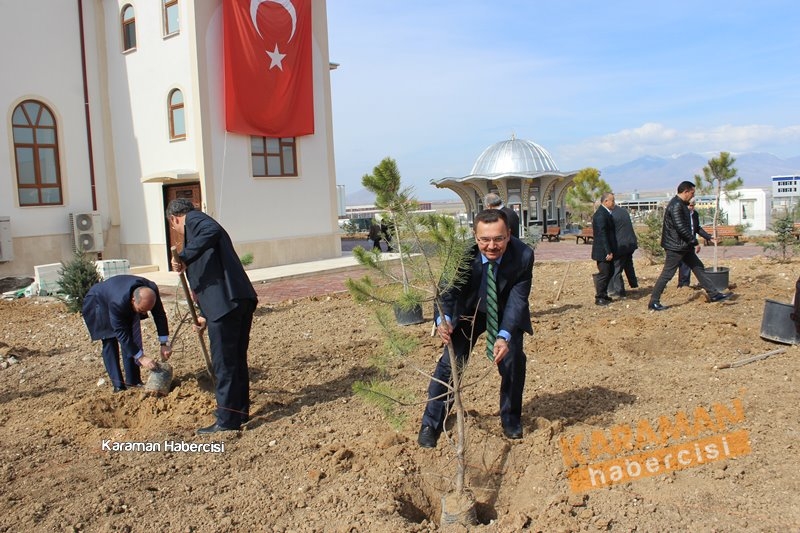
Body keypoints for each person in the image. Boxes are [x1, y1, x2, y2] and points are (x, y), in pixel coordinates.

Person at [417, 209, 534, 448]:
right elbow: (447, 291)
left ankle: (511, 419)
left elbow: (517, 299)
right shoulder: (461, 254)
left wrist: (504, 336)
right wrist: (444, 321)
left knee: (512, 362)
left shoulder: (523, 256)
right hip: (468, 311)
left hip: (503, 313)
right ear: (475, 236)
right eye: (485, 240)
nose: (492, 246)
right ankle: (431, 423)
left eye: (498, 239)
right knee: (451, 364)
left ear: (509, 235)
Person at [166, 199, 258, 434]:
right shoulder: (199, 228)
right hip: (233, 301)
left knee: (225, 363)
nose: (177, 230)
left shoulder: (195, 220)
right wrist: (204, 316)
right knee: (235, 360)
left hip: (227, 304)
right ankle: (238, 412)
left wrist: (184, 256)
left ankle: (227, 420)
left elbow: (212, 230)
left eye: (174, 226)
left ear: (175, 218)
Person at [648, 181, 733, 311]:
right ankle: (653, 302)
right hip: (676, 247)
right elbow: (681, 228)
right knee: (667, 274)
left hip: (683, 246)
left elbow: (694, 227)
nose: (692, 196)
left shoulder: (682, 205)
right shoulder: (676, 206)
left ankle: (714, 294)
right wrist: (694, 241)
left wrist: (707, 237)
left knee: (698, 267)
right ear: (685, 191)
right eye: (692, 193)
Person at [82, 275, 171, 392]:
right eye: (141, 310)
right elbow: (121, 333)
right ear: (133, 300)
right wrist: (141, 357)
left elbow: (159, 314)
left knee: (131, 336)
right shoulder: (117, 302)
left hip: (120, 298)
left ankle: (133, 381)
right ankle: (118, 385)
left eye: (146, 310)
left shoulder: (151, 289)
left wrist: (164, 343)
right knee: (110, 340)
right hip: (98, 302)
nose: (144, 313)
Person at [677, 197, 714, 288]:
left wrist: (708, 237)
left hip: (690, 243)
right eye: (689, 205)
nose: (690, 207)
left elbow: (697, 228)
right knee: (674, 267)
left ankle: (684, 285)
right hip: (681, 243)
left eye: (692, 206)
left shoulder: (694, 214)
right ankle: (681, 285)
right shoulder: (681, 215)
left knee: (688, 265)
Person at [591, 192, 617, 306]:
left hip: (607, 249)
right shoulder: (601, 215)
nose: (614, 203)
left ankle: (604, 294)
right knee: (604, 273)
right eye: (612, 200)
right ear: (606, 201)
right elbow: (602, 234)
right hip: (602, 251)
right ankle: (599, 297)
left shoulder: (606, 213)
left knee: (610, 272)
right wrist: (608, 251)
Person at [608, 204, 639, 297]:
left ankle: (619, 291)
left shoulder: (612, 214)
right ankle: (634, 284)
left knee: (616, 268)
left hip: (621, 245)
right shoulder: (623, 211)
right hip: (630, 243)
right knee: (628, 264)